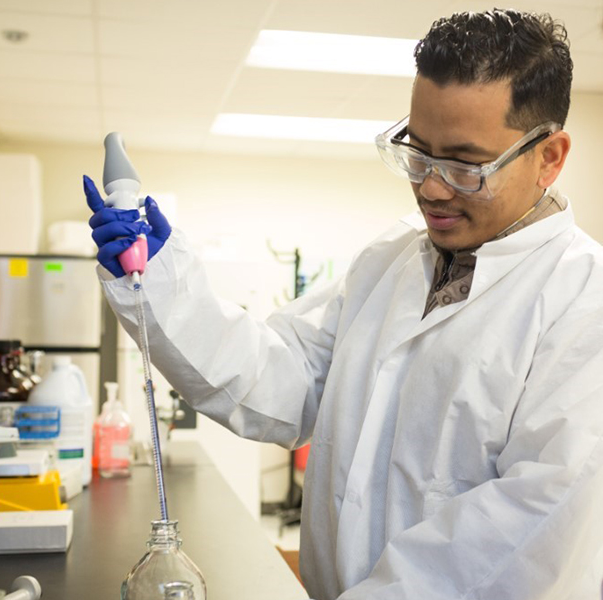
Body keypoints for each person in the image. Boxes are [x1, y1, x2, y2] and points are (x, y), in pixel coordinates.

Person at [84, 8, 603, 599]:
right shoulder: (389, 260)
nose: (431, 186)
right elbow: (278, 378)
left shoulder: (584, 304)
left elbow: (528, 529)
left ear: (550, 157)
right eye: (418, 150)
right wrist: (159, 278)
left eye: (463, 164)